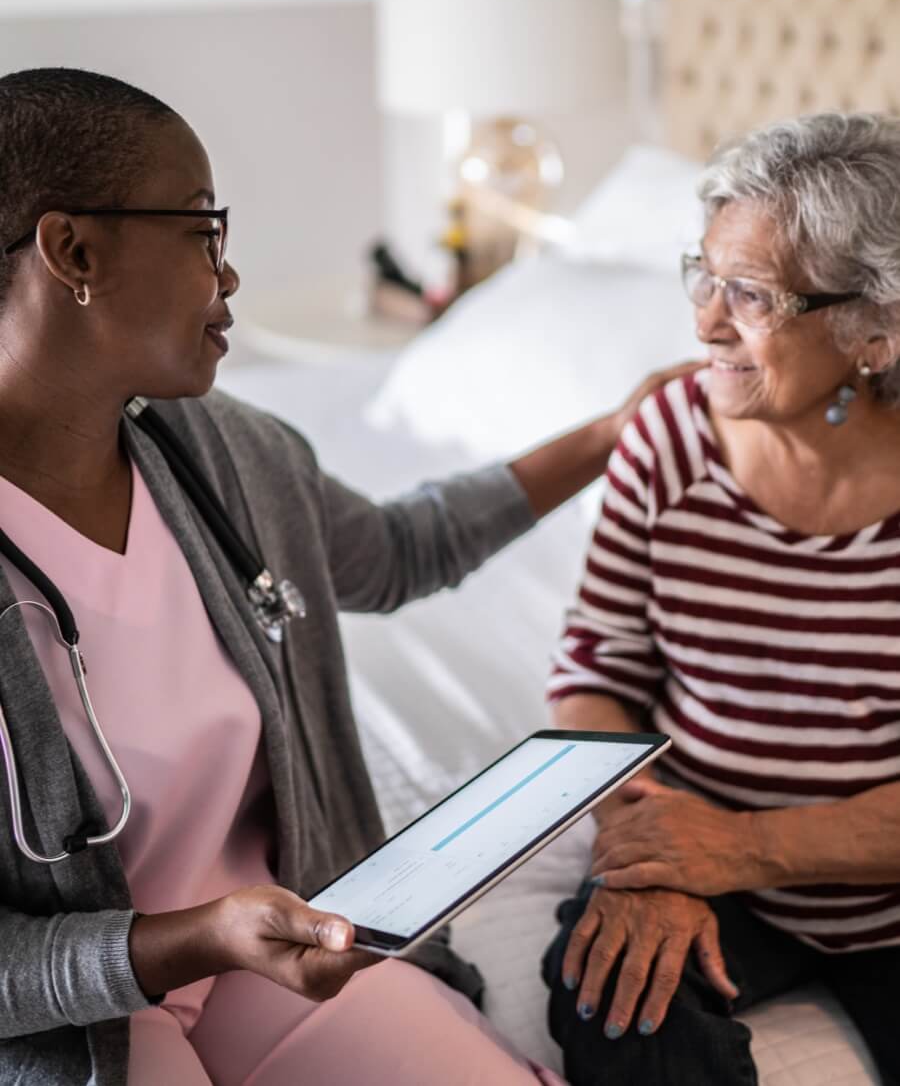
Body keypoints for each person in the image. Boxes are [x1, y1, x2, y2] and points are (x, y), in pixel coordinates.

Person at [0, 67, 686, 1086]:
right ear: (74, 251)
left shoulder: (230, 454)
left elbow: (401, 550)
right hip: (78, 1018)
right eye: (202, 230)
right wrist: (190, 937)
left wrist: (606, 436)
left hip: (272, 956)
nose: (229, 275)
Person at [543, 111, 900, 1086]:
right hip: (701, 849)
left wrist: (736, 847)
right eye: (702, 275)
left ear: (874, 325)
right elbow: (598, 664)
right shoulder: (668, 436)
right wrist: (648, 844)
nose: (705, 321)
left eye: (749, 294)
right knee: (610, 999)